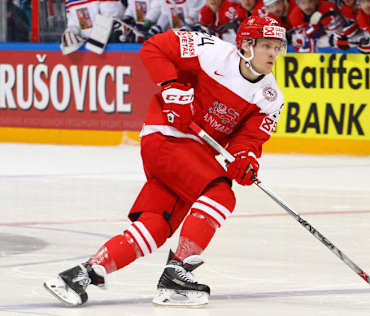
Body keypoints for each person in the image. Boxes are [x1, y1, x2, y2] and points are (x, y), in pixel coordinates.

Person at [43, 15, 286, 307]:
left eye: (277, 47)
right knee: (220, 192)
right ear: (246, 45)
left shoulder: (271, 98)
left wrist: (245, 159)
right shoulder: (211, 52)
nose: (273, 54)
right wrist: (172, 87)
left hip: (193, 158)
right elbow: (154, 47)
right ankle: (177, 272)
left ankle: (82, 274)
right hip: (167, 135)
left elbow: (249, 141)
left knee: (156, 226)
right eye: (266, 46)